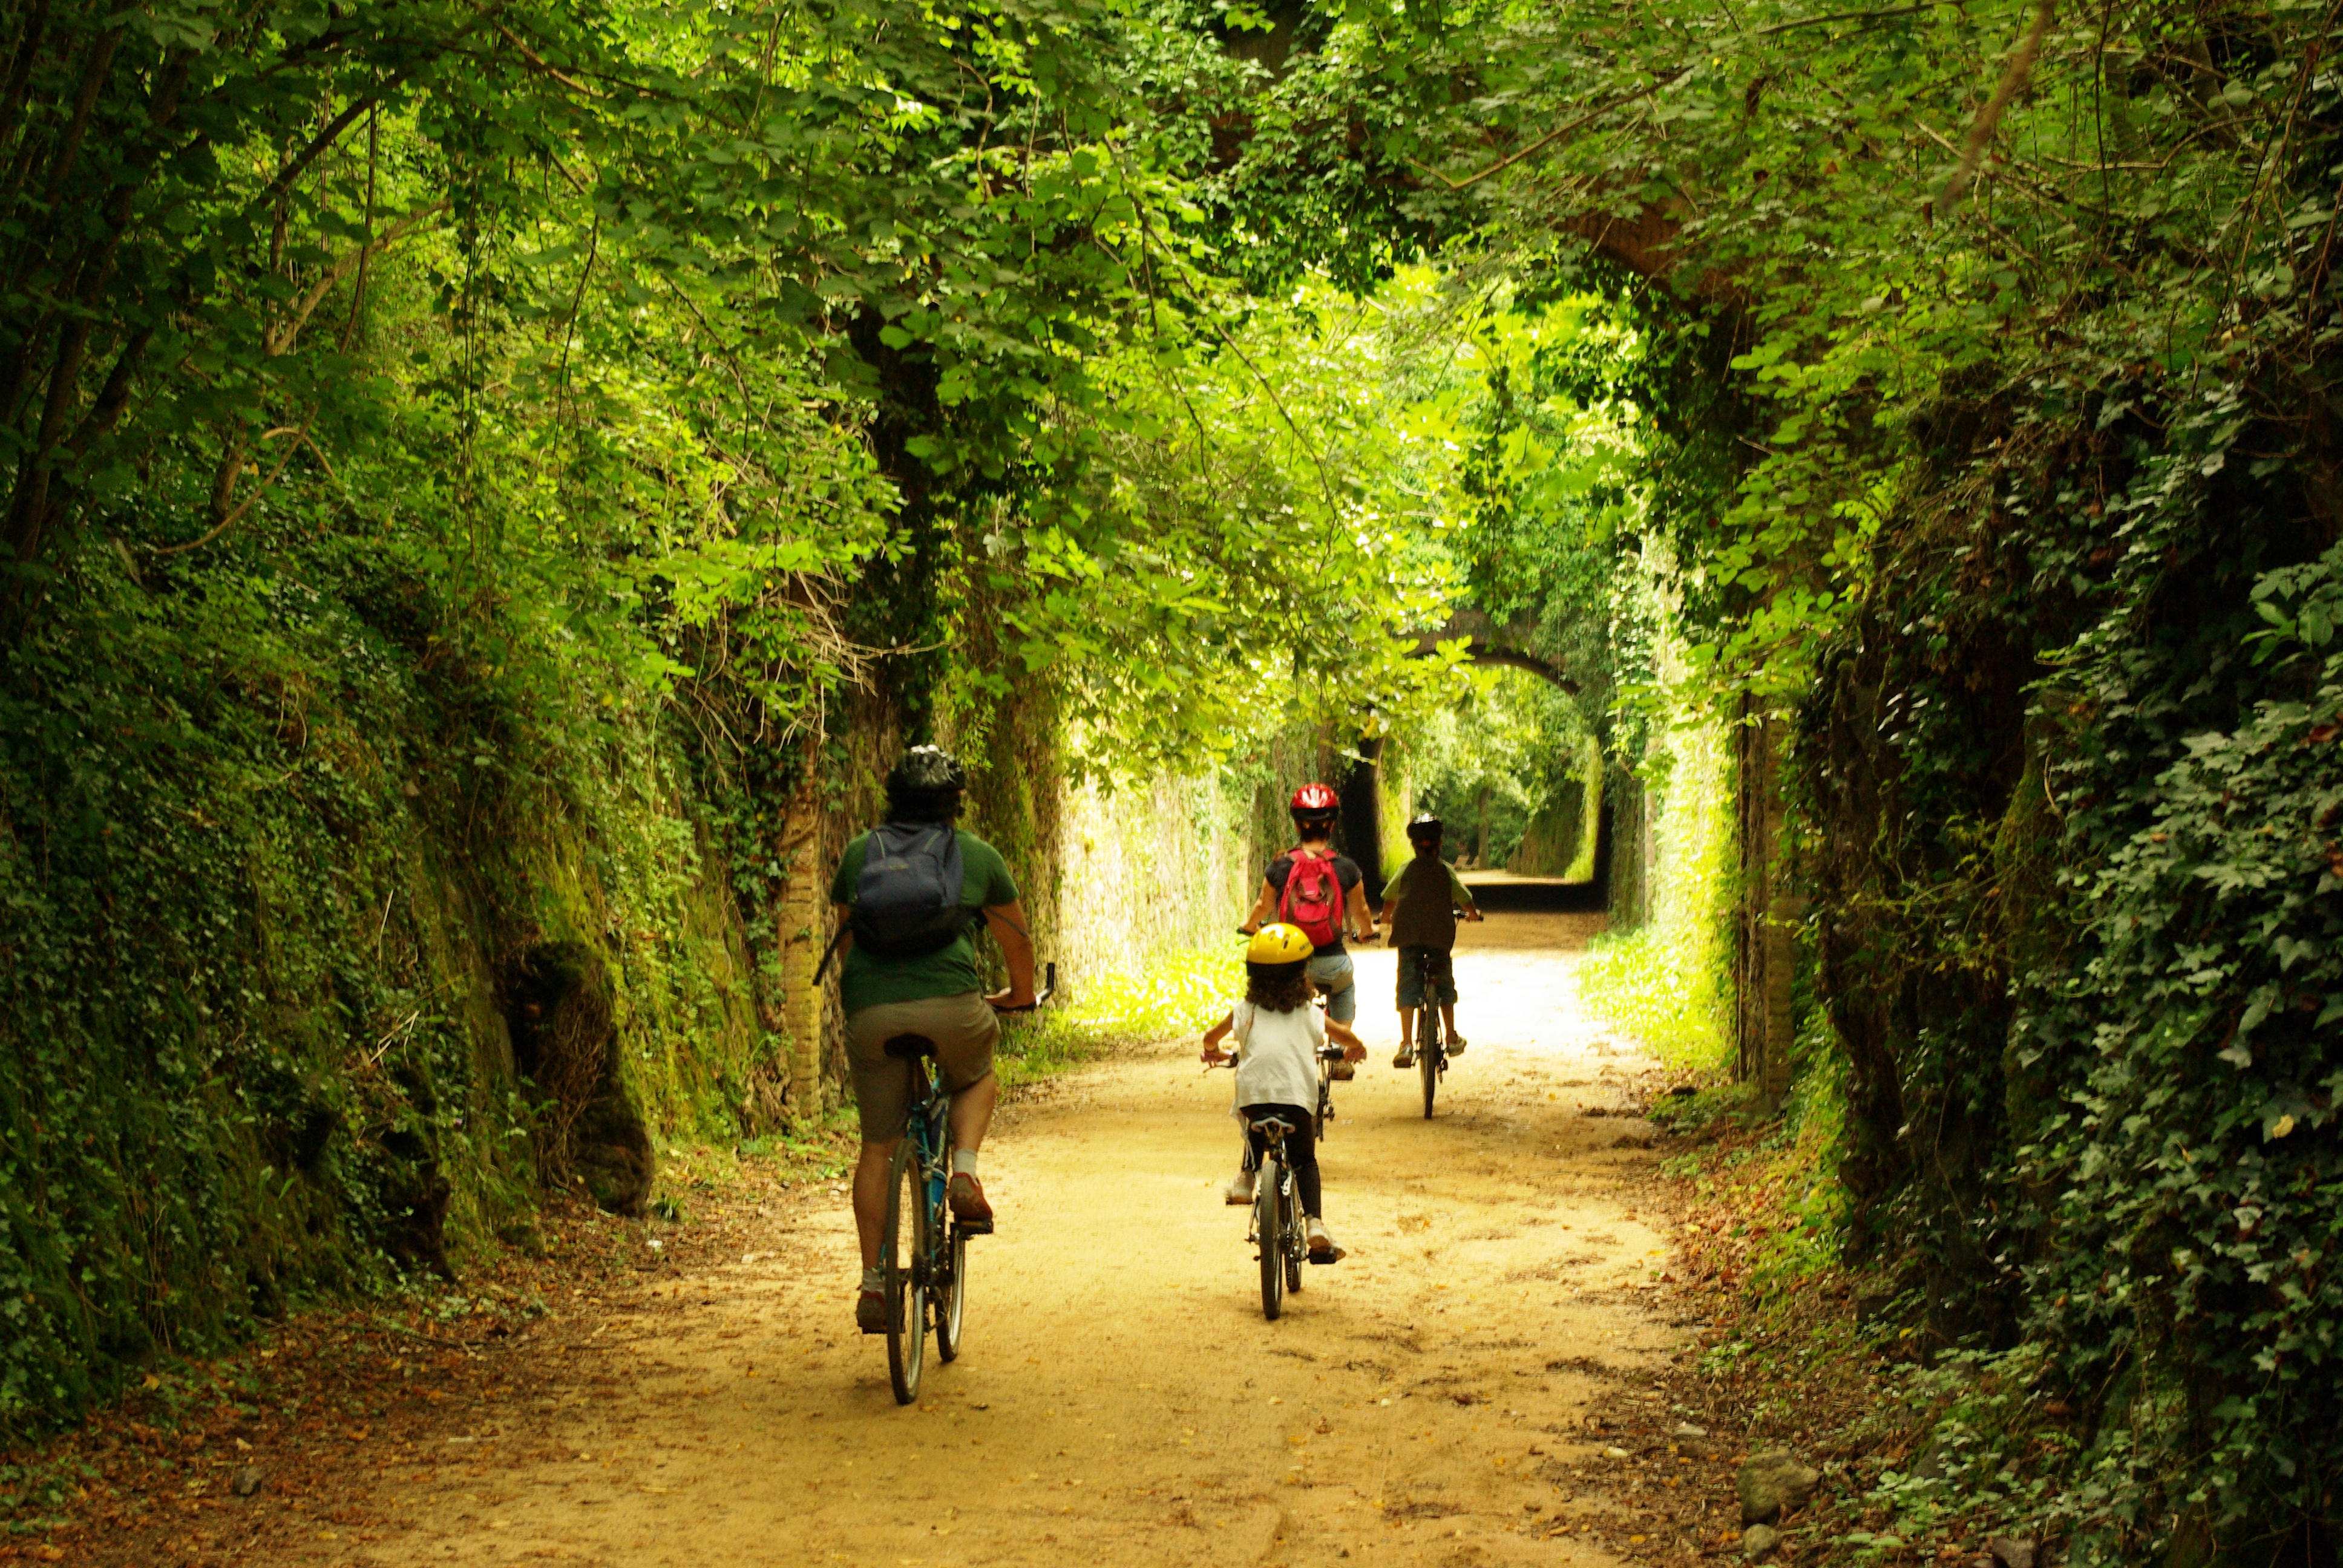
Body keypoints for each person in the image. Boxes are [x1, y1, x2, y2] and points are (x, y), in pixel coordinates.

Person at [828, 745, 1036, 1335]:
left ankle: (874, 1281)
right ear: (955, 805)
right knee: (975, 1075)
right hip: (953, 1009)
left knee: (877, 1147)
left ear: (890, 800)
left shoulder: (858, 855)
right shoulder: (977, 857)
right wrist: (1017, 995)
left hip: (871, 1012)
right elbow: (1014, 941)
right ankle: (964, 1171)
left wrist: (874, 999)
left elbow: (847, 944)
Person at [1201, 924, 1365, 1259]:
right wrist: (1355, 1050)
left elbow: (1209, 1039)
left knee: (1255, 1120)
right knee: (1304, 1160)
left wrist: (1216, 1053)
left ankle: (1247, 1176)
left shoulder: (1244, 1010)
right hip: (1296, 1099)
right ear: (1302, 974)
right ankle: (1315, 1224)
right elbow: (1346, 1038)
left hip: (1253, 1095)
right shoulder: (1309, 1013)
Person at [1238, 783, 1377, 1047]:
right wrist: (1367, 931)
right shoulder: (1346, 868)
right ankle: (1340, 1046)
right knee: (1344, 988)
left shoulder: (1280, 865)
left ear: (1297, 825)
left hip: (1291, 965)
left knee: (1280, 992)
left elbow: (1262, 906)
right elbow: (1362, 911)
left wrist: (1249, 927)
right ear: (1332, 825)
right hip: (1331, 960)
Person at [1381, 812, 1483, 1070]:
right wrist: (1473, 914)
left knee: (1407, 984)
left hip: (1409, 937)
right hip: (1439, 939)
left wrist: (1384, 918)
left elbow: (1390, 898)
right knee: (1444, 984)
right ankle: (1450, 1036)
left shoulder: (1406, 870)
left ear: (1414, 846)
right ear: (1440, 844)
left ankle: (1405, 1043)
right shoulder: (1445, 871)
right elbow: (1464, 899)